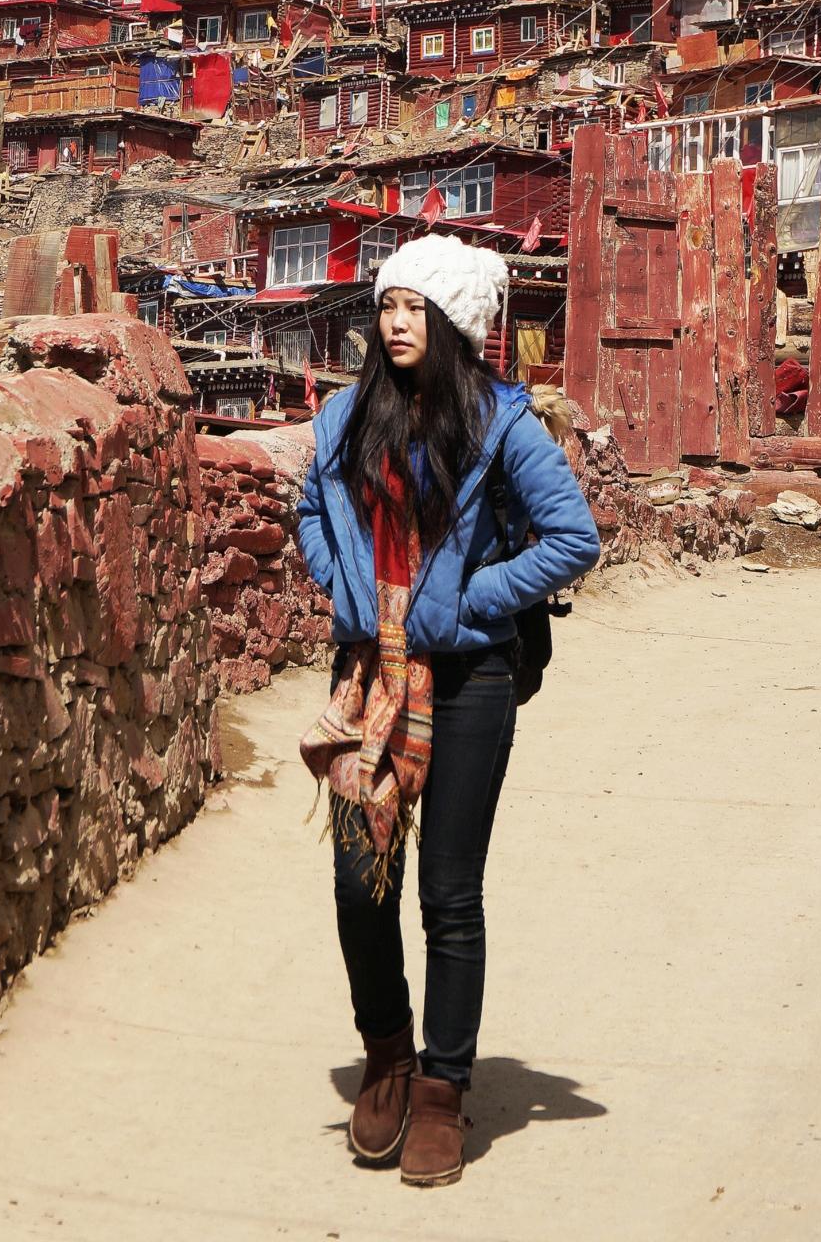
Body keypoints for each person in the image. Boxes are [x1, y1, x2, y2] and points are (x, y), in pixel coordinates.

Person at [296, 233, 599, 1188]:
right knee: (358, 884)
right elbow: (310, 511)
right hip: (368, 674)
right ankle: (385, 1056)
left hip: (469, 682)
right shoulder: (346, 418)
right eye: (386, 304)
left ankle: (441, 1091)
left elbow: (572, 537)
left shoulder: (503, 423)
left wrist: (466, 602)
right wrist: (343, 588)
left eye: (414, 307)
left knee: (447, 897)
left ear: (453, 323)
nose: (393, 321)